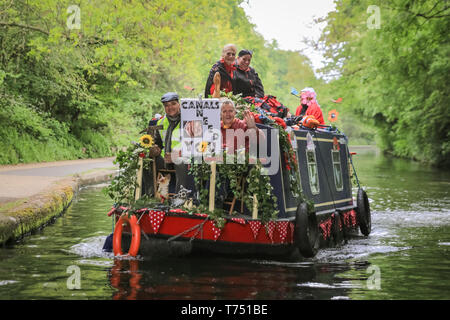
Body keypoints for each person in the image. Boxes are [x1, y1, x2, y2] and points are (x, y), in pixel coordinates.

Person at [142, 92, 193, 196]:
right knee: (147, 160)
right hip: (166, 160)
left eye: (173, 104)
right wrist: (154, 150)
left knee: (180, 161)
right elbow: (157, 144)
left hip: (185, 160)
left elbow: (194, 146)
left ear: (179, 104)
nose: (170, 107)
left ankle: (180, 198)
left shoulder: (188, 121)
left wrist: (175, 155)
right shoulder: (161, 122)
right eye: (166, 105)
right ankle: (150, 195)